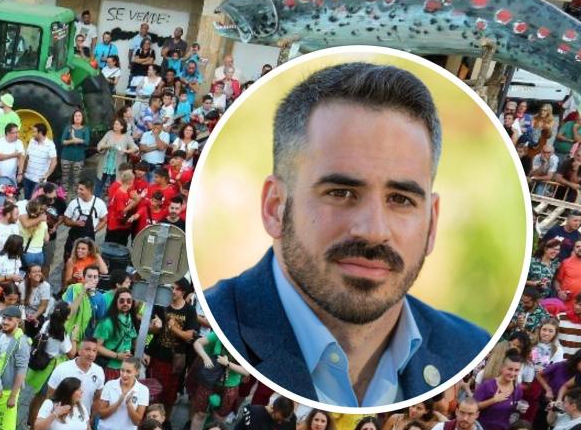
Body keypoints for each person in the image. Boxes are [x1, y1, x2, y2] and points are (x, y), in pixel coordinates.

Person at [201, 61, 489, 406]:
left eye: (401, 199)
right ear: (275, 207)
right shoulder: (220, 323)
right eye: (341, 193)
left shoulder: (468, 348)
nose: (374, 232)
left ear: (432, 222)